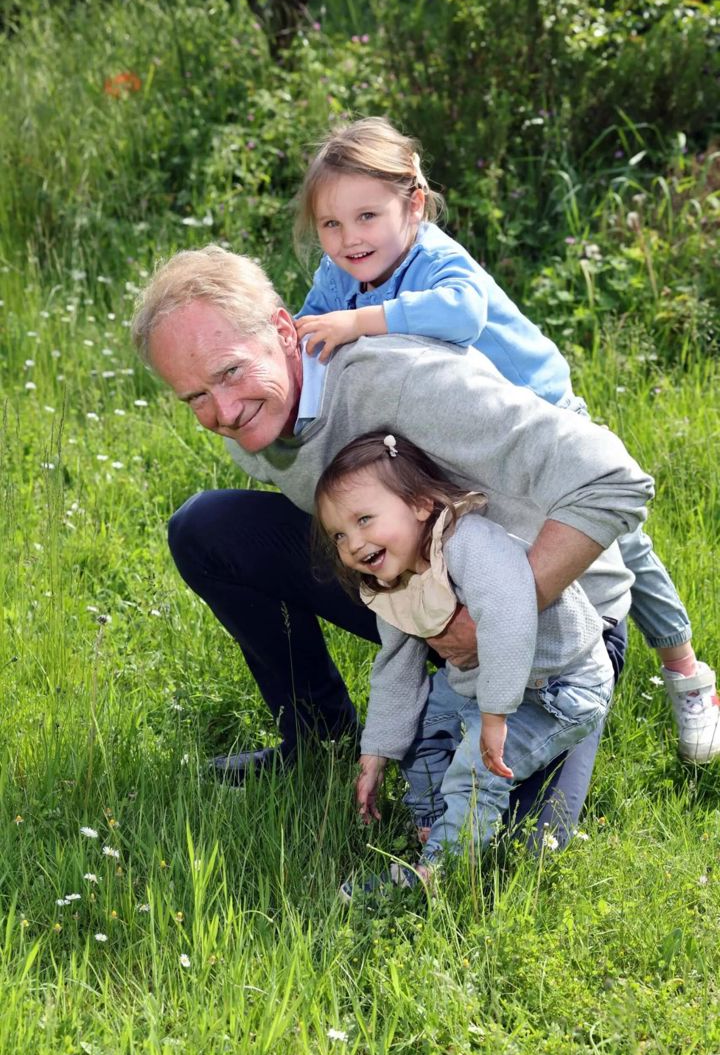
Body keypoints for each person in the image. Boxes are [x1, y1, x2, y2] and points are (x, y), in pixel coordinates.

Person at [131, 243, 652, 841]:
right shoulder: (253, 421)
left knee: (512, 853)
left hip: (557, 626)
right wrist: (436, 629)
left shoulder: (405, 384)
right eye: (194, 396)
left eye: (229, 371)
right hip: (431, 597)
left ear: (282, 330)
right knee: (209, 530)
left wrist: (491, 621)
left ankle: (537, 717)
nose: (221, 409)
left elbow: (614, 479)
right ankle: (318, 736)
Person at [293, 116, 719, 763]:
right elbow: (311, 333)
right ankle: (509, 665)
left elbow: (462, 313)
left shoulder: (432, 257)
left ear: (412, 204)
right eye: (331, 225)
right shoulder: (339, 278)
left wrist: (362, 320)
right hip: (464, 444)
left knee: (621, 542)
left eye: (367, 217)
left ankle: (685, 670)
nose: (350, 239)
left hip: (539, 417)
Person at [314, 432, 615, 891]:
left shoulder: (467, 543)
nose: (354, 543)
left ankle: (442, 869)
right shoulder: (392, 581)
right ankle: (437, 826)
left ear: (419, 504)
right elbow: (396, 669)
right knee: (417, 729)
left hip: (560, 684)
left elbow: (510, 615)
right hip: (477, 682)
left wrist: (493, 716)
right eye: (339, 534)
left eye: (364, 519)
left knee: (479, 766)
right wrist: (374, 755)